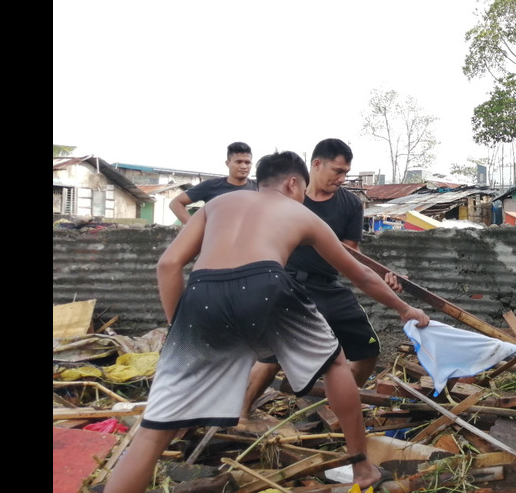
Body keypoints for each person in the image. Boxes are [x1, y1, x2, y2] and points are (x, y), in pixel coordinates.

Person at [102, 151, 430, 493]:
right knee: (335, 364)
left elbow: (168, 265)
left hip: (202, 293)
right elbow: (361, 275)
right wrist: (404, 309)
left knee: (154, 432)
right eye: (302, 190)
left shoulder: (217, 205)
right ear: (292, 183)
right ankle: (362, 468)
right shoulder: (299, 213)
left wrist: (180, 332)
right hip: (264, 283)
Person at [239, 139, 396, 424]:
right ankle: (239, 414)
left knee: (367, 349)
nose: (342, 178)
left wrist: (382, 276)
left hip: (327, 286)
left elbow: (352, 253)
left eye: (346, 172)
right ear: (316, 164)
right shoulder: (288, 194)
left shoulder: (349, 204)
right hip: (287, 283)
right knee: (273, 354)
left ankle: (334, 409)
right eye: (337, 171)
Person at [169, 141, 257, 224]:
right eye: (238, 162)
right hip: (217, 239)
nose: (243, 166)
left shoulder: (259, 188)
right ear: (227, 163)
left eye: (247, 162)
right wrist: (194, 229)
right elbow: (175, 203)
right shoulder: (211, 185)